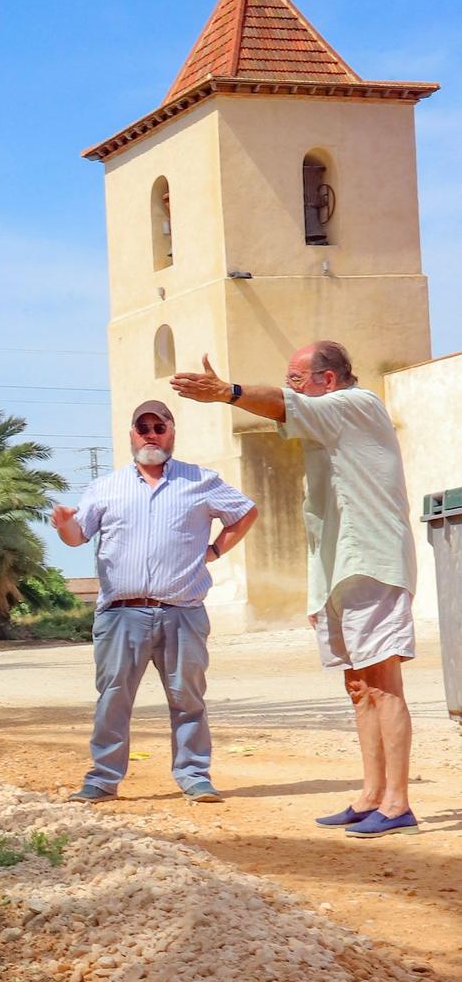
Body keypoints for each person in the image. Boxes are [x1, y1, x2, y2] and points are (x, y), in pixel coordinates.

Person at [171, 342, 418, 836]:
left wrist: (228, 392)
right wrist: (318, 589)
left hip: (371, 562)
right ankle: (371, 796)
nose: (290, 388)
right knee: (358, 686)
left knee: (382, 681)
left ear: (328, 380)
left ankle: (397, 804)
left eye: (297, 378)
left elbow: (280, 405)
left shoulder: (356, 404)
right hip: (341, 568)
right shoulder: (327, 424)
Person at [50, 400, 257, 804]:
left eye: (158, 426)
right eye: (142, 427)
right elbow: (78, 537)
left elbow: (245, 513)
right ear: (131, 434)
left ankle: (194, 775)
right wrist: (63, 526)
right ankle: (103, 779)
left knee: (187, 698)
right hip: (121, 615)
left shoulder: (201, 481)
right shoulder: (105, 487)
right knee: (113, 697)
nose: (150, 434)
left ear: (171, 433)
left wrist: (213, 551)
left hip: (182, 612)